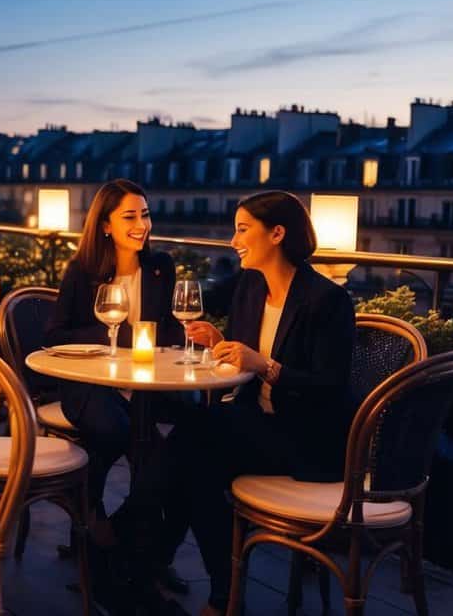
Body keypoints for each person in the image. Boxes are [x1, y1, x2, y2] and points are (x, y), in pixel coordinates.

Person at [149, 190, 356, 615]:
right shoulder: (250, 287)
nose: (233, 240)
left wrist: (266, 366)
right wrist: (223, 344)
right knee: (195, 463)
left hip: (307, 440)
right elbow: (243, 354)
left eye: (243, 229)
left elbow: (331, 387)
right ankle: (220, 591)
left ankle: (133, 557)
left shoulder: (328, 300)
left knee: (193, 435)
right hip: (255, 427)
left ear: (277, 233)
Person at [44, 179, 185, 523]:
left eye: (146, 215)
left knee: (182, 438)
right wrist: (115, 335)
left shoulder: (159, 268)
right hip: (89, 384)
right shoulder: (82, 272)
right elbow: (55, 336)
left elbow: (168, 329)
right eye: (130, 217)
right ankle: (108, 529)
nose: (142, 226)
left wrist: (185, 332)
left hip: (143, 381)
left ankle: (103, 526)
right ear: (106, 225)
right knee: (127, 435)